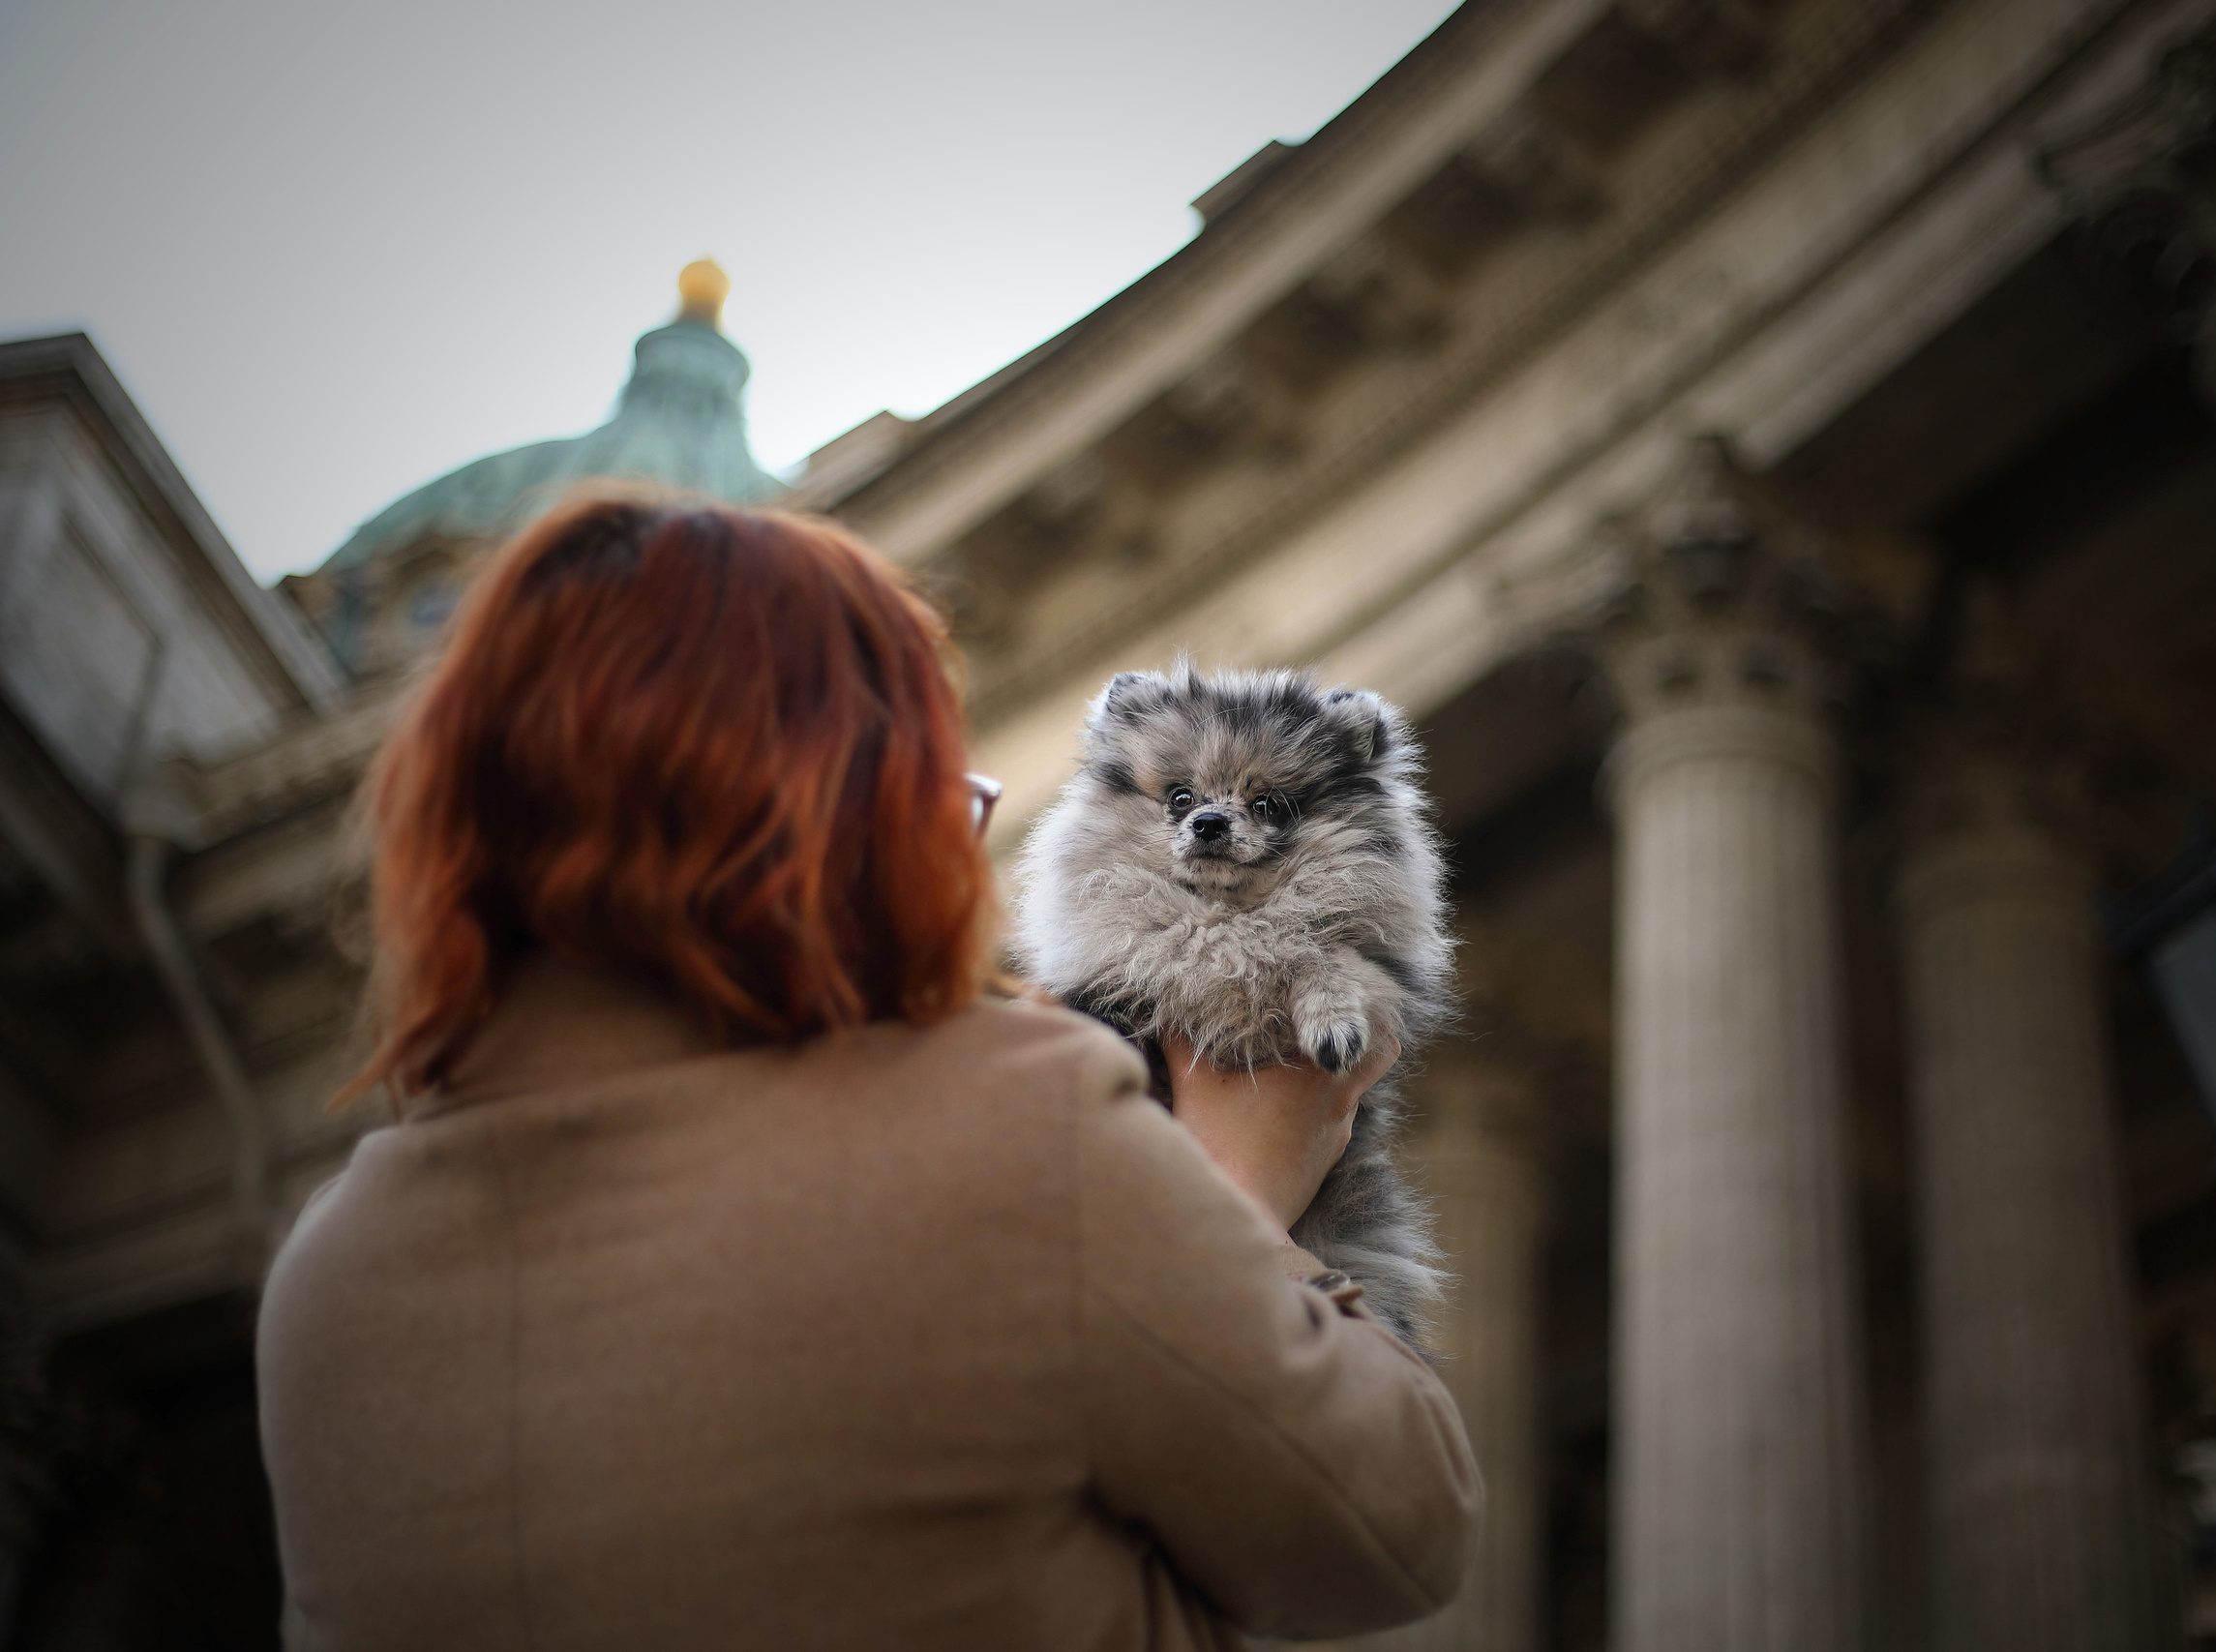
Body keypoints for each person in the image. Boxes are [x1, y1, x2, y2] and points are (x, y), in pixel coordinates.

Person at [255, 494, 1480, 1651]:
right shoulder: (1002, 1121)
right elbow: (1396, 1527)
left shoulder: (336, 1270)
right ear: (837, 808)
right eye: (930, 786)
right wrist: (1243, 1186)